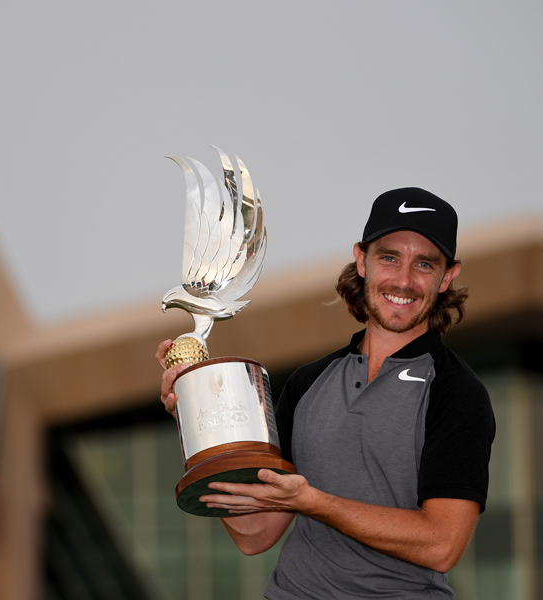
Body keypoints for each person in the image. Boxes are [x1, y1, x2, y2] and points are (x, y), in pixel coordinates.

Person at [156, 187, 496, 599]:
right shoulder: (307, 383)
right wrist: (195, 413)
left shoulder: (457, 393)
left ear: (447, 277)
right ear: (361, 259)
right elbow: (254, 533)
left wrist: (313, 502)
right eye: (389, 257)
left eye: (424, 264)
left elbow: (442, 545)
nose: (404, 281)